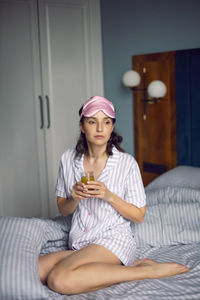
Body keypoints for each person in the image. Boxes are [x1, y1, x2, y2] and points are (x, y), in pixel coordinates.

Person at [38, 96, 189, 295]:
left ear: (112, 127)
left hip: (113, 240)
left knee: (59, 279)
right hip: (80, 242)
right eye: (93, 121)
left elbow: (139, 215)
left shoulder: (127, 164)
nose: (100, 129)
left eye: (106, 122)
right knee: (36, 269)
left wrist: (109, 196)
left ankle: (143, 270)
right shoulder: (68, 159)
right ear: (82, 126)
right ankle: (82, 263)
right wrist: (73, 198)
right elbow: (63, 209)